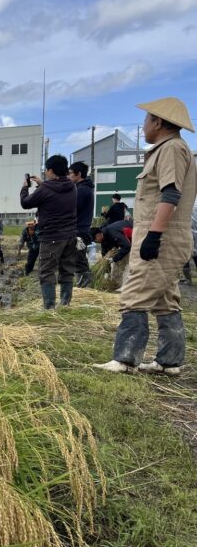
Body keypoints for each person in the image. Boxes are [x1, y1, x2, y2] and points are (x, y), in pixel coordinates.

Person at [95, 97, 197, 375]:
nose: (144, 126)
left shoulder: (172, 149)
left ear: (159, 122)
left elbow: (171, 193)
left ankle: (126, 360)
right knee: (165, 299)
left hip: (162, 235)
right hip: (164, 234)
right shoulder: (171, 149)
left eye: (147, 120)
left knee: (135, 295)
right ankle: (169, 362)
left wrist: (154, 234)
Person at [20, 155, 78, 309]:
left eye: (46, 171)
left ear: (51, 170)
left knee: (47, 272)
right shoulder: (72, 186)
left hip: (52, 236)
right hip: (70, 235)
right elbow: (54, 191)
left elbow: (25, 203)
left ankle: (49, 308)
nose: (45, 173)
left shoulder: (45, 189)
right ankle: (65, 304)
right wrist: (42, 183)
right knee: (67, 270)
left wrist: (25, 187)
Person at [69, 161, 95, 287]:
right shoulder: (85, 188)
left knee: (79, 261)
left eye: (70, 174)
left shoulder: (82, 190)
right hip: (82, 229)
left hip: (79, 230)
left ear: (78, 174)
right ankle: (84, 286)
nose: (69, 177)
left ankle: (85, 287)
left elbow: (71, 210)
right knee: (80, 260)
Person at [182, 198, 197, 282]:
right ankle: (188, 279)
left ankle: (188, 279)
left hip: (186, 233)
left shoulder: (186, 200)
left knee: (185, 256)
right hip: (188, 232)